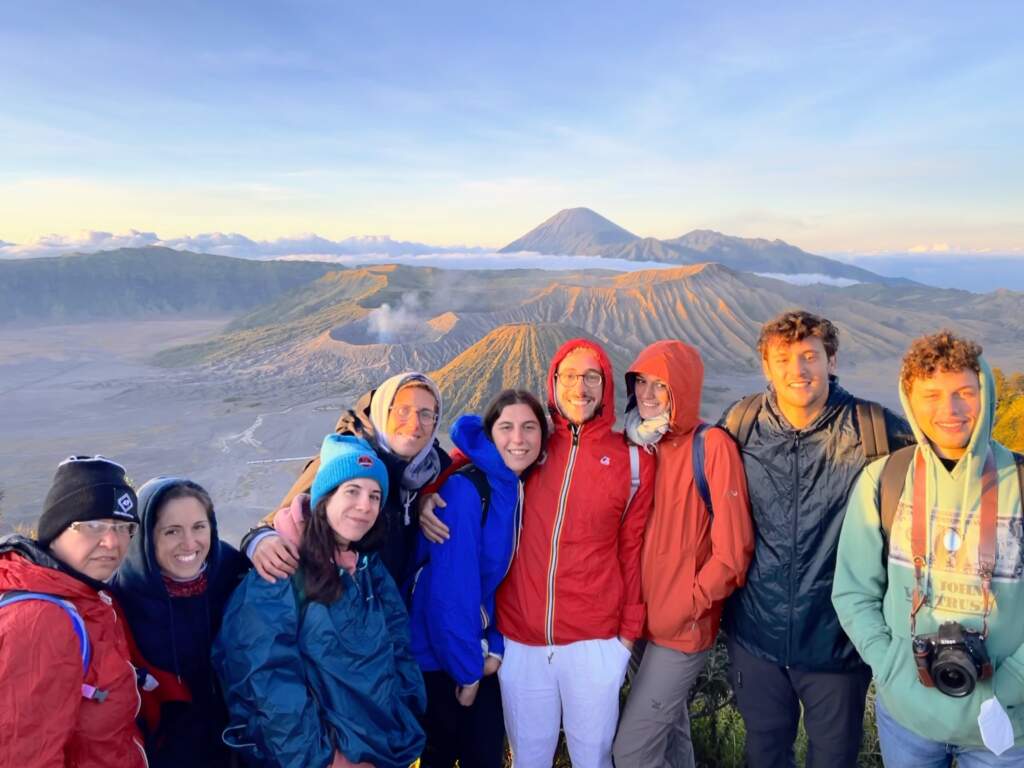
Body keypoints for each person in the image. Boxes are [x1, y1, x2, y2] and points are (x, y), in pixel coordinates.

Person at [424, 339, 655, 767]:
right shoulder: (530, 447)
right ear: (553, 383)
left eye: (591, 377)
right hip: (521, 640)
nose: (580, 387)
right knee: (529, 758)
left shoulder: (633, 460)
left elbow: (633, 548)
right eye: (569, 376)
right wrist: (427, 495)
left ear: (606, 387)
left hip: (595, 641)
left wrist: (626, 637)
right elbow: (473, 456)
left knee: (593, 759)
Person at [719, 310, 913, 768]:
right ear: (767, 366)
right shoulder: (742, 423)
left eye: (810, 356)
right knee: (764, 753)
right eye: (783, 358)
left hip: (838, 639)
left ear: (832, 360)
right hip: (756, 634)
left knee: (833, 758)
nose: (797, 370)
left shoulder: (874, 430)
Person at [833, 330, 1024, 766]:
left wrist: (1009, 686)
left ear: (986, 394)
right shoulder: (885, 480)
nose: (949, 410)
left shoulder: (1020, 485)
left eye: (964, 392)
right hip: (908, 717)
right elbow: (853, 592)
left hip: (1007, 724)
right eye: (931, 394)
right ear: (910, 401)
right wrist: (893, 669)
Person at [213, 434, 426, 768]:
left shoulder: (368, 564)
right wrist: (325, 760)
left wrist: (403, 715)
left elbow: (396, 641)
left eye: (374, 496)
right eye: (351, 491)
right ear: (324, 498)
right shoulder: (281, 569)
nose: (365, 506)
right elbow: (266, 680)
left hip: (381, 746)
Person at [613, 340, 754, 768]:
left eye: (662, 386)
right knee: (670, 734)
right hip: (639, 624)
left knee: (631, 753)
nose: (649, 396)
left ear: (684, 390)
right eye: (642, 383)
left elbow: (734, 552)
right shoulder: (638, 444)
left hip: (681, 630)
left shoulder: (710, 446)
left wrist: (686, 605)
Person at [409, 389, 548, 768]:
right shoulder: (467, 490)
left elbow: (493, 588)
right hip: (438, 659)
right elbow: (451, 595)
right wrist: (469, 674)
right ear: (490, 434)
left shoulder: (510, 486)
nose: (518, 439)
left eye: (529, 427)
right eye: (506, 427)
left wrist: (495, 645)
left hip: (472, 647)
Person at [0, 455, 147, 768]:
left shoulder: (85, 597)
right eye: (93, 525)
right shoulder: (40, 619)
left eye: (124, 527)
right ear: (57, 528)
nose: (112, 541)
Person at [244, 371, 449, 586]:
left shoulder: (426, 471)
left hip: (389, 607)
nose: (415, 424)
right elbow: (279, 519)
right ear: (381, 412)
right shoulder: (348, 462)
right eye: (402, 411)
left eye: (426, 414)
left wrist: (426, 496)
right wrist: (259, 540)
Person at [110, 477, 247, 767]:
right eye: (171, 531)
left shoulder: (234, 573)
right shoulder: (118, 601)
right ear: (147, 536)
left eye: (199, 527)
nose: (189, 543)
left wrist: (261, 538)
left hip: (239, 748)